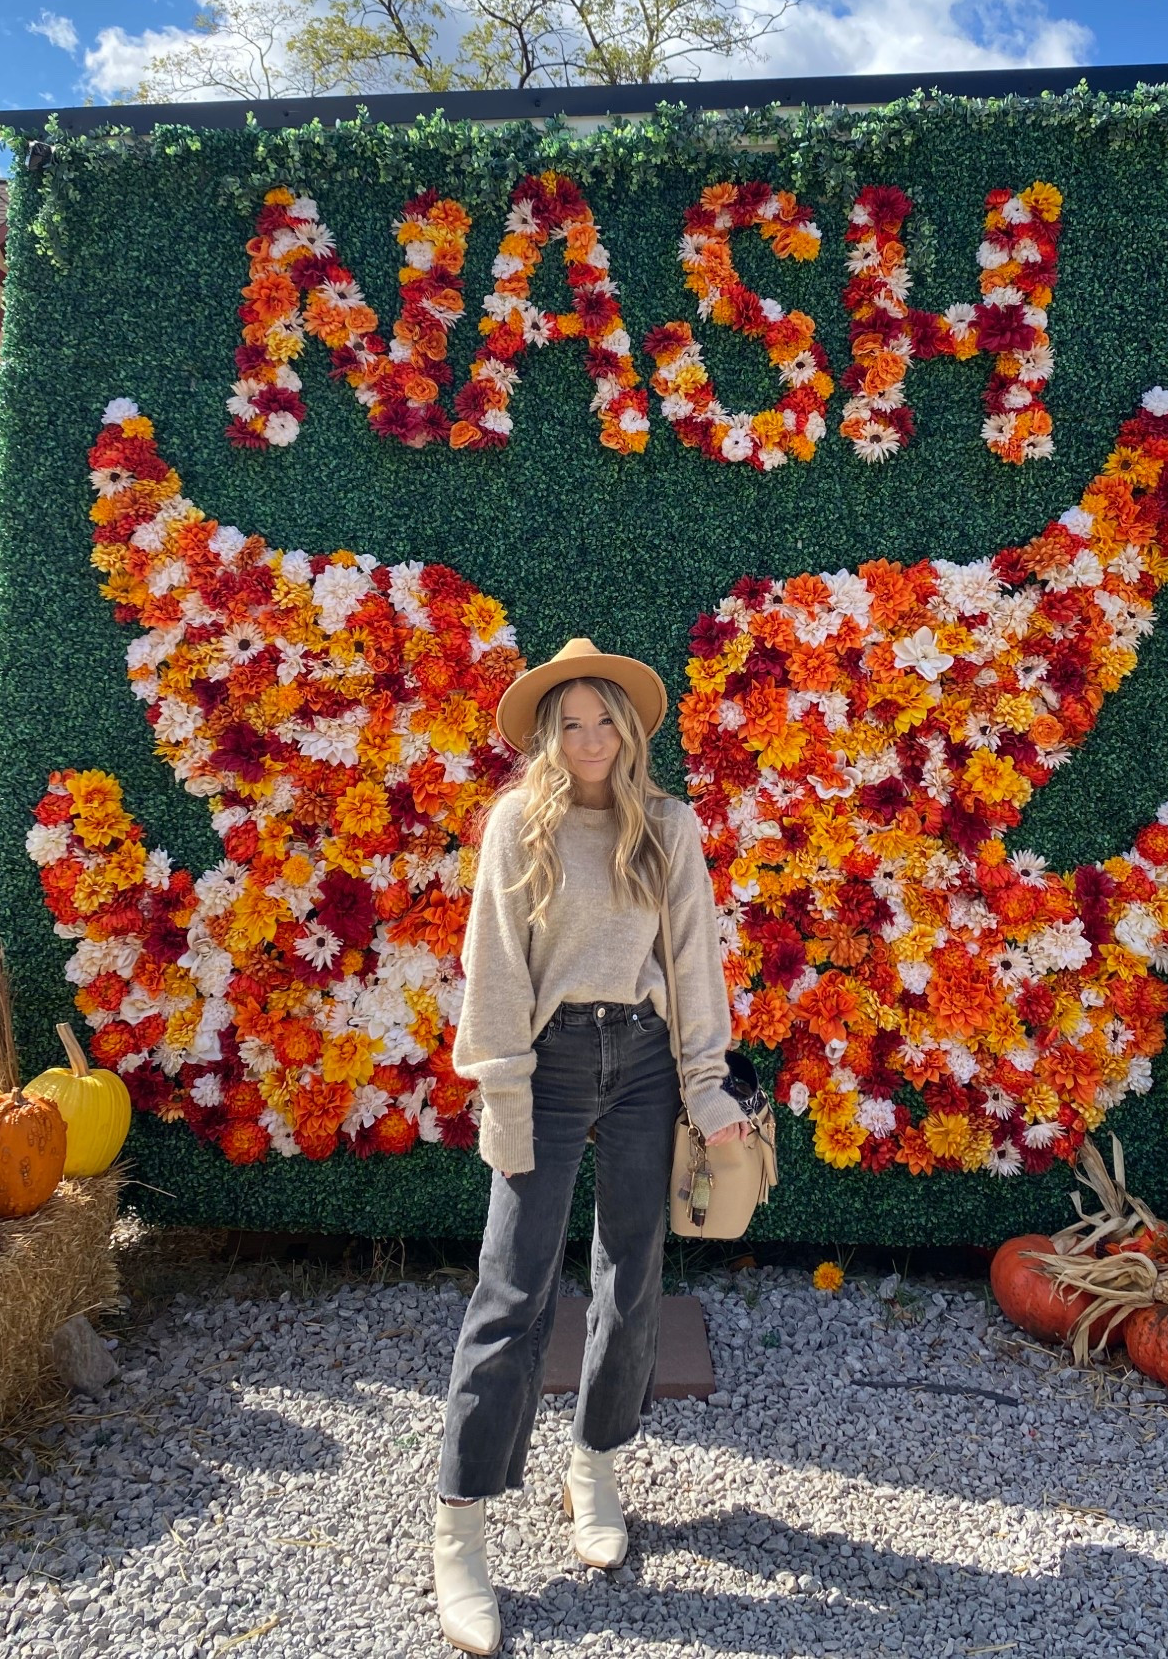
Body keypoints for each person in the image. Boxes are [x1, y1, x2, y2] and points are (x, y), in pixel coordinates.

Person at [432, 636, 751, 1655]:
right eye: (568, 723)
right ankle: (460, 1531)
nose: (587, 739)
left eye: (602, 719)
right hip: (550, 1062)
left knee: (633, 1273)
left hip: (647, 1059)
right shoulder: (515, 827)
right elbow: (493, 972)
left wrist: (708, 1086)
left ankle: (594, 1467)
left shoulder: (667, 826)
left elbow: (693, 964)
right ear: (545, 734)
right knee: (513, 1285)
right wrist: (504, 1100)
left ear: (629, 727)